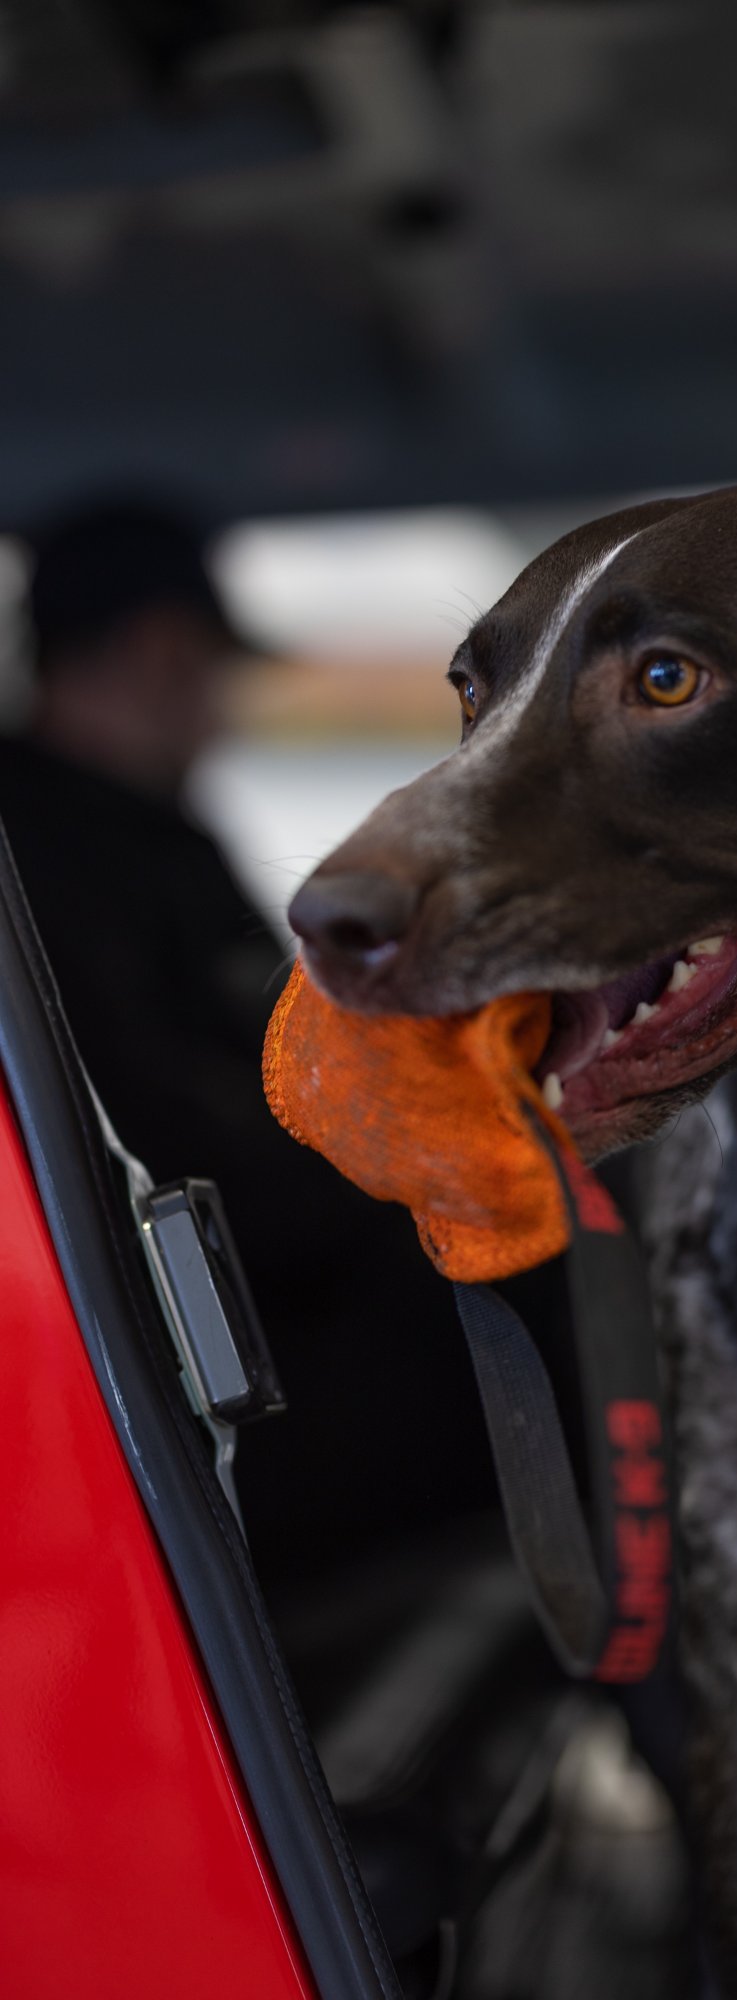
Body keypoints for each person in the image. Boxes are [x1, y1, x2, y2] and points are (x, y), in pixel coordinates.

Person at [0, 496, 496, 1578]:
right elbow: (152, 1122)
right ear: (158, 652)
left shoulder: (141, 835)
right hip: (196, 1373)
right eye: (211, 673)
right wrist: (397, 1179)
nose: (220, 714)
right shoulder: (39, 866)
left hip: (263, 1310)